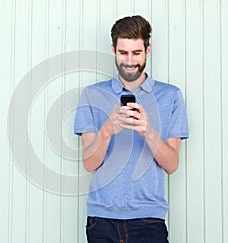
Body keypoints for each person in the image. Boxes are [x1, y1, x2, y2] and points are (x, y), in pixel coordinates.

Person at [74, 15, 189, 243]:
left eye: (136, 53)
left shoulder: (171, 96)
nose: (129, 61)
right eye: (123, 52)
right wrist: (107, 129)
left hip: (149, 220)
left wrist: (148, 131)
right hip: (101, 220)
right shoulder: (92, 95)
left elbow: (172, 165)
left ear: (148, 50)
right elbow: (89, 164)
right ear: (113, 49)